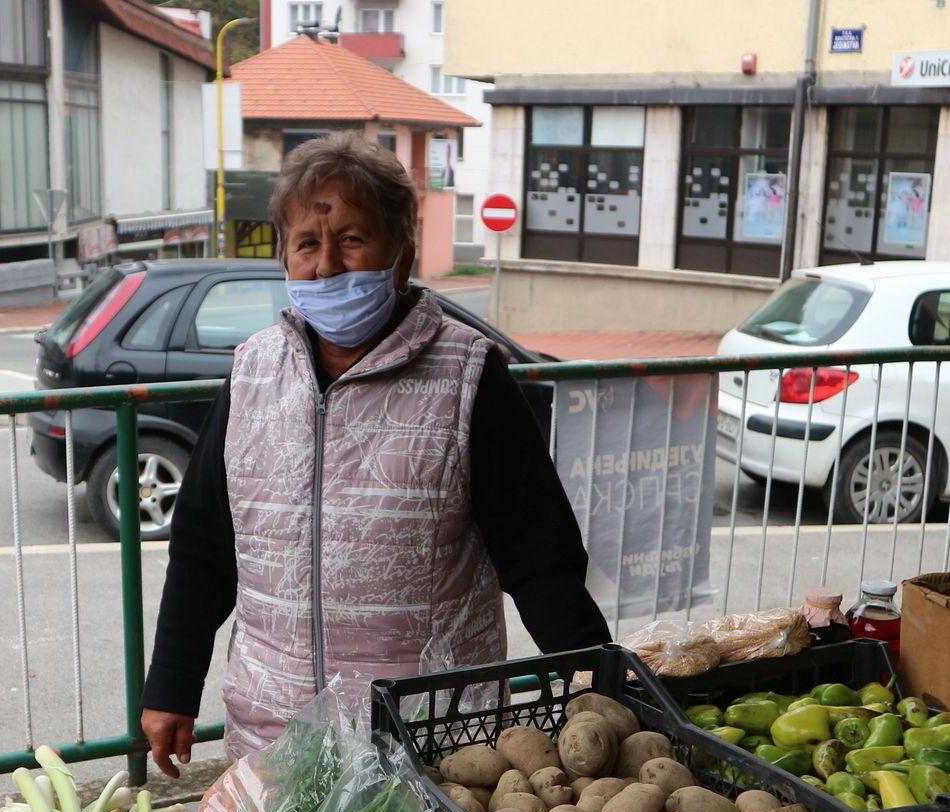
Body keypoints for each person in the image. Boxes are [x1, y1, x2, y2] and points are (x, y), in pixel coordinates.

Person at [138, 132, 610, 776]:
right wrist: (171, 685)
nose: (327, 265)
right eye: (307, 243)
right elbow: (204, 547)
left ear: (401, 254)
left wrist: (598, 682)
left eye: (352, 240)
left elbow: (539, 558)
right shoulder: (251, 373)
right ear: (286, 257)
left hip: (432, 738)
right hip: (277, 737)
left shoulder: (468, 374)